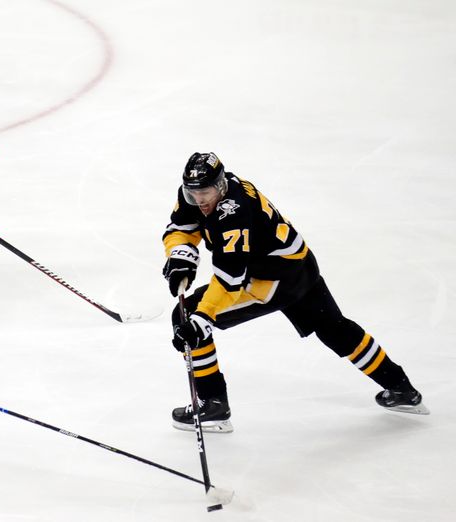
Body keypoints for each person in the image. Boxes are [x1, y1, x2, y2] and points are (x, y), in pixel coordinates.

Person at [162, 152, 428, 433]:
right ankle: (401, 388)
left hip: (272, 280)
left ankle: (212, 405)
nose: (199, 201)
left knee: (187, 314)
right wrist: (180, 255)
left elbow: (230, 278)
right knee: (334, 328)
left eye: (205, 193)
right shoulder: (200, 193)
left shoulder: (234, 213)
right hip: (300, 265)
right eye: (193, 194)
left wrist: (203, 317)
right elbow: (182, 226)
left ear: (221, 187)